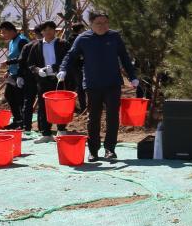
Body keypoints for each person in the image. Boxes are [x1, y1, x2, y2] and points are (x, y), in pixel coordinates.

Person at [58, 12, 139, 163]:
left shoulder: (114, 37)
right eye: (99, 23)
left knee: (112, 117)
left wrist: (132, 76)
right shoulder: (83, 38)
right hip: (92, 84)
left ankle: (110, 149)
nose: (103, 26)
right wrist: (63, 69)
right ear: (91, 24)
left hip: (113, 83)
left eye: (105, 23)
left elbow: (124, 57)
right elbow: (71, 55)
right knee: (93, 118)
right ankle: (93, 150)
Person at [23, 21, 71, 138]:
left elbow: (68, 59)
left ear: (55, 30)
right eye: (45, 30)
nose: (48, 32)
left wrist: (56, 68)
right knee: (43, 105)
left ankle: (61, 129)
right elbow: (30, 63)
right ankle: (46, 132)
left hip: (59, 79)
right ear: (42, 32)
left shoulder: (63, 44)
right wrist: (38, 70)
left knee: (60, 105)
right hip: (43, 80)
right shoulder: (36, 46)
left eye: (50, 29)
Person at [0, 22, 29, 130]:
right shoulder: (11, 41)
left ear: (11, 31)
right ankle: (17, 120)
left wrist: (8, 63)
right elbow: (13, 57)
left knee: (20, 98)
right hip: (13, 74)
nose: (3, 35)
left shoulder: (22, 40)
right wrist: (8, 70)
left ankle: (22, 122)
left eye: (4, 32)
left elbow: (24, 58)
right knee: (9, 95)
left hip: (21, 74)